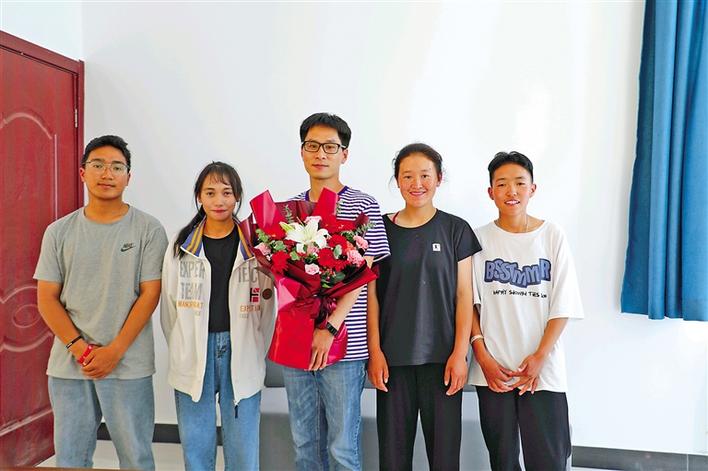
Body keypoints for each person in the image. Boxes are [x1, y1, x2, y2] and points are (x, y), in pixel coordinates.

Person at [34, 135, 168, 469]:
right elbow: (47, 298)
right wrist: (79, 348)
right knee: (71, 458)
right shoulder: (58, 232)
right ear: (83, 173)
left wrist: (114, 351)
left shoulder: (149, 230)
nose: (107, 173)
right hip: (70, 364)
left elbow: (150, 294)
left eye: (116, 167)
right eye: (98, 165)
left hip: (128, 362)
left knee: (136, 457)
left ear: (128, 177)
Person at [283, 112, 390, 471]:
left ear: (344, 154)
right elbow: (286, 279)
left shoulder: (363, 205)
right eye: (312, 146)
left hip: (345, 345)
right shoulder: (289, 211)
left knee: (342, 448)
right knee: (304, 445)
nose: (320, 154)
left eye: (330, 147)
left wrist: (330, 327)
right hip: (298, 344)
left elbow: (363, 276)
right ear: (301, 152)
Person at [367, 143, 481, 471]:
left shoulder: (456, 229)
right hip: (393, 362)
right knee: (393, 459)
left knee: (444, 459)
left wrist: (460, 354)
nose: (416, 183)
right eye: (407, 176)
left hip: (443, 362)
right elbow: (371, 296)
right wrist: (375, 352)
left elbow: (464, 296)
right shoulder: (379, 230)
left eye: (425, 175)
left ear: (439, 178)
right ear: (397, 181)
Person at [468, 151, 583, 471]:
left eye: (520, 183)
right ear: (490, 192)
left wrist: (540, 357)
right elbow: (468, 304)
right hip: (494, 372)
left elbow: (563, 304)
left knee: (549, 460)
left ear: (533, 189)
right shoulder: (477, 239)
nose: (512, 191)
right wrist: (483, 357)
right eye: (502, 184)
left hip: (542, 371)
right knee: (502, 460)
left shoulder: (552, 235)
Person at [160, 162, 275, 470]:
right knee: (196, 446)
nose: (219, 200)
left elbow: (267, 310)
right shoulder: (181, 245)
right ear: (199, 197)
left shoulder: (256, 245)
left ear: (237, 196)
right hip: (194, 351)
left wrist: (253, 346)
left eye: (226, 192)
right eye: (210, 193)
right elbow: (169, 308)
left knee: (243, 447)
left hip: (242, 350)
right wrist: (184, 345)